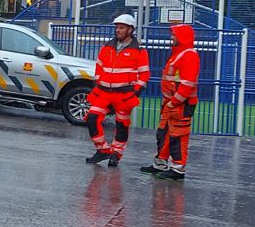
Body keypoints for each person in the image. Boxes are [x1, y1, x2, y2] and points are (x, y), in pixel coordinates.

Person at [85, 14, 150, 168]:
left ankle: (116, 154)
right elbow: (99, 66)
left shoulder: (139, 51)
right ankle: (102, 150)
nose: (118, 30)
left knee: (122, 125)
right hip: (104, 93)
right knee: (92, 117)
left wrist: (135, 92)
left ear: (130, 30)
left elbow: (144, 74)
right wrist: (98, 79)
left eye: (121, 28)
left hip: (124, 95)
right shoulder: (107, 47)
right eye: (117, 27)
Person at [143, 24, 199, 180]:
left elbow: (187, 84)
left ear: (182, 37)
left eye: (174, 35)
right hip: (172, 102)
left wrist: (174, 102)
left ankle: (178, 168)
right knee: (164, 133)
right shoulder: (179, 54)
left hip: (180, 104)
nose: (171, 37)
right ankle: (161, 163)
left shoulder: (188, 55)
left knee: (178, 136)